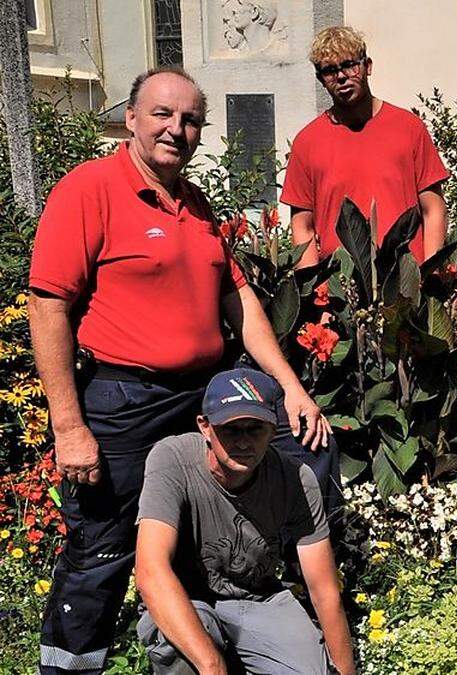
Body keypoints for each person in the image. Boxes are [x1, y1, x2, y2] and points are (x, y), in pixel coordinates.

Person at [28, 67, 330, 675]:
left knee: (205, 520)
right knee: (101, 546)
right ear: (132, 118)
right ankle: (68, 666)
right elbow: (47, 302)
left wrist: (292, 389)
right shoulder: (89, 189)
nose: (177, 129)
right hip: (124, 397)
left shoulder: (195, 205)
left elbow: (238, 302)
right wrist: (68, 424)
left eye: (190, 119)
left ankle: (206, 642)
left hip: (198, 398)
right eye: (163, 114)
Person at [134, 368, 354, 675]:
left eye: (256, 429)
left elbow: (324, 590)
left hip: (258, 598)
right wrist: (213, 666)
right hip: (187, 598)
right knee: (181, 651)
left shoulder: (296, 479)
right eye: (232, 430)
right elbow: (150, 571)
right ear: (205, 427)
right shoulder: (172, 459)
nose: (244, 442)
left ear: (273, 427)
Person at [282, 26, 450, 268]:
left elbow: (433, 208)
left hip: (404, 283)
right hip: (340, 288)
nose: (341, 77)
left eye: (349, 65)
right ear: (321, 79)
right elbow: (302, 225)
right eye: (329, 71)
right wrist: (314, 294)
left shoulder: (409, 128)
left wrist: (430, 275)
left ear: (368, 66)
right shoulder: (307, 142)